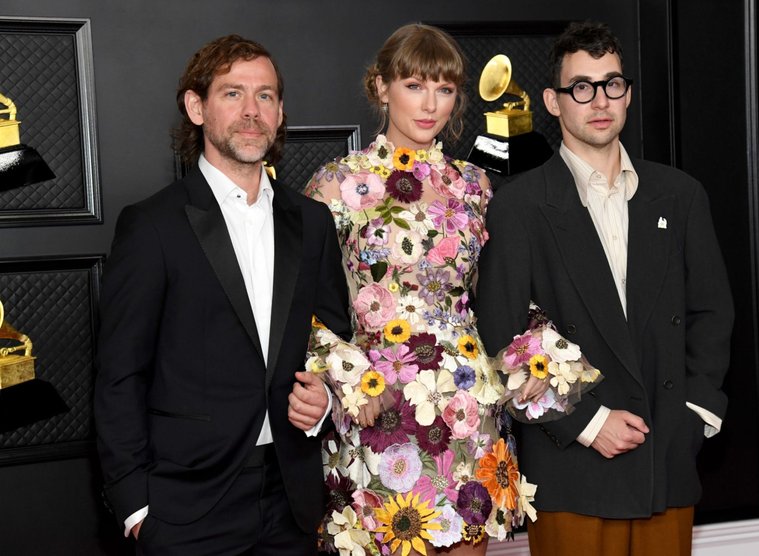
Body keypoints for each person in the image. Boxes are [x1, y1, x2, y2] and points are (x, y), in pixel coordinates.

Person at [303, 23, 599, 556]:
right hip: (381, 408)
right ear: (380, 87)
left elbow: (499, 294)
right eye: (415, 85)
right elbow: (298, 305)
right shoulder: (336, 184)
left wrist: (537, 356)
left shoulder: (473, 185)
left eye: (444, 89)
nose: (430, 104)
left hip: (468, 409)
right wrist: (348, 373)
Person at [475, 20, 735, 556]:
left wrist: (694, 416)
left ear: (628, 94)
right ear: (553, 101)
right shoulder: (519, 206)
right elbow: (501, 335)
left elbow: (712, 313)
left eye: (612, 84)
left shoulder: (680, 196)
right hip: (573, 467)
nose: (600, 101)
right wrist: (589, 423)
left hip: (665, 456)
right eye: (582, 87)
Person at [93, 34, 351, 556]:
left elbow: (332, 339)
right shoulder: (152, 225)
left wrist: (325, 398)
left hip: (291, 497)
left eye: (266, 96)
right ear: (196, 107)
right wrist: (137, 508)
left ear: (280, 112)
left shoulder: (313, 221)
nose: (252, 111)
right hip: (186, 505)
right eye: (233, 94)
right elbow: (119, 374)